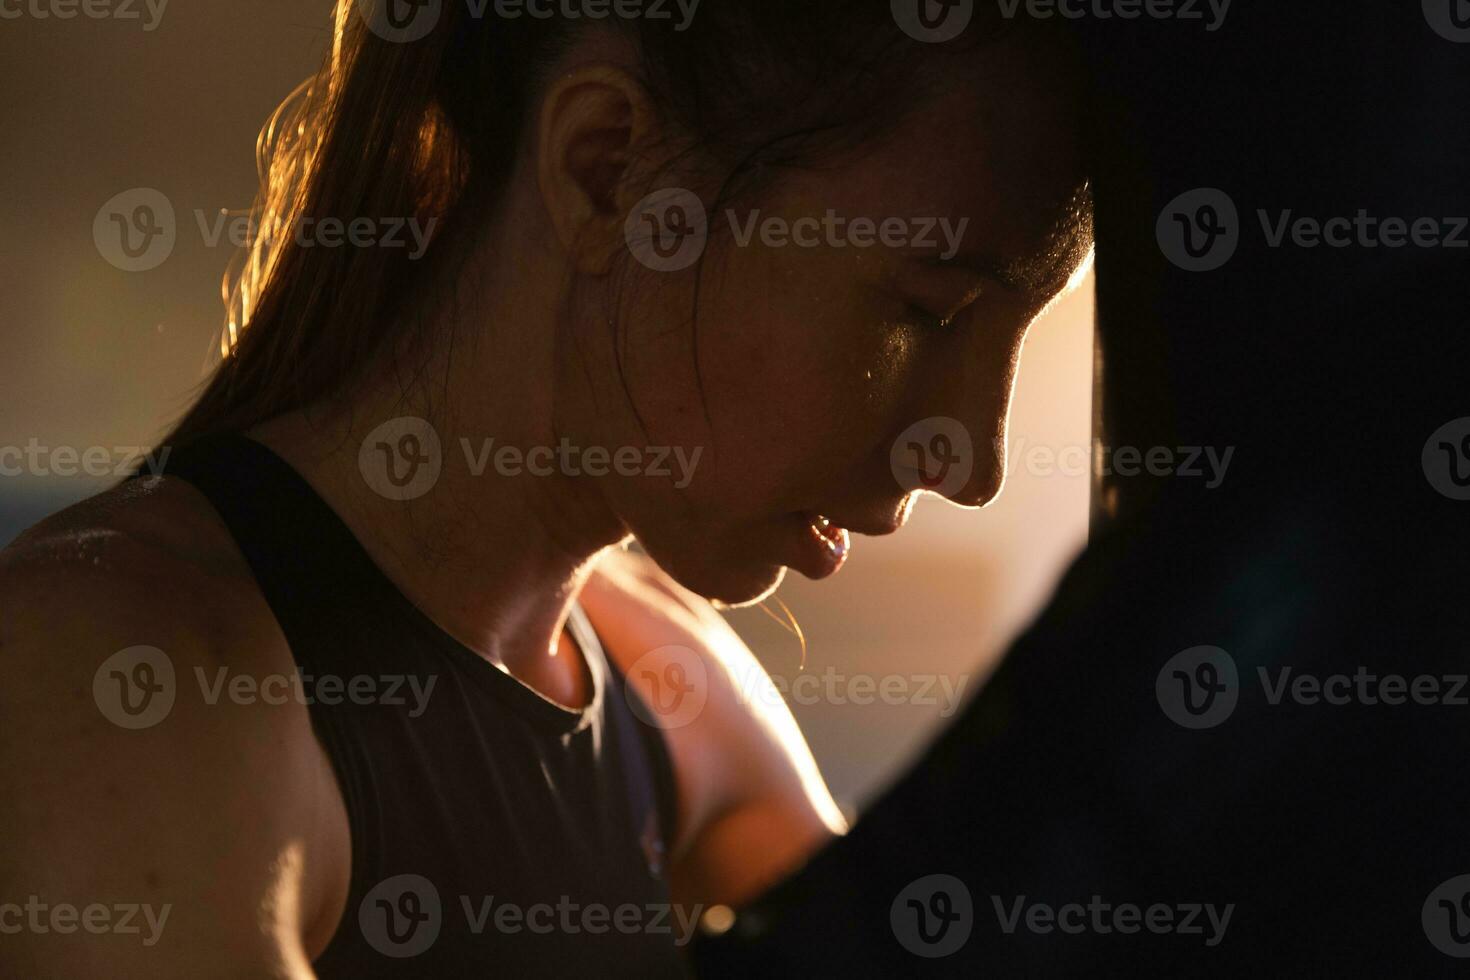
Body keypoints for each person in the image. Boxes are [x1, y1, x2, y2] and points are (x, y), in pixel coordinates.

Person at [0, 2, 1093, 976]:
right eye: (930, 312)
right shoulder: (112, 677)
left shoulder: (676, 693)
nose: (979, 459)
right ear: (610, 170)